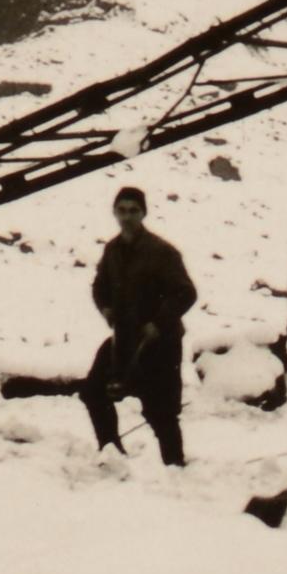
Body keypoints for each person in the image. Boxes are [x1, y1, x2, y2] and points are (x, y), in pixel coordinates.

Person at [85, 186, 197, 465]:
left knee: (161, 411)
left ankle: (175, 468)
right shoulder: (112, 250)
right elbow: (100, 286)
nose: (127, 217)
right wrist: (106, 308)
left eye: (134, 210)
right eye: (122, 210)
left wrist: (158, 323)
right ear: (114, 213)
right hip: (123, 337)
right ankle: (111, 453)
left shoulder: (162, 252)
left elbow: (185, 293)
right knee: (94, 392)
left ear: (144, 213)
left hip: (161, 341)